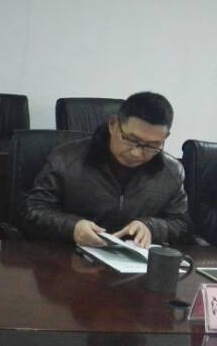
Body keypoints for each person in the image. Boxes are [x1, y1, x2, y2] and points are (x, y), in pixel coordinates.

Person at [23, 92, 191, 247]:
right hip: (69, 258)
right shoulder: (66, 159)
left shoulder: (171, 172)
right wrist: (73, 227)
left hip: (134, 264)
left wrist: (152, 228)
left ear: (165, 138)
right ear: (113, 125)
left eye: (152, 145)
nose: (137, 153)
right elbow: (31, 211)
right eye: (131, 140)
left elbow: (183, 225)